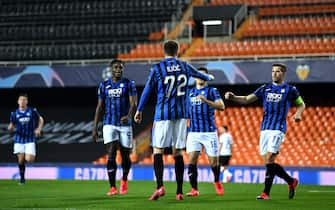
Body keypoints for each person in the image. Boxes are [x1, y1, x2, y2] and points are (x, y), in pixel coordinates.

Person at [134, 40, 214, 201]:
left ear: (164, 51)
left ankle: (160, 187)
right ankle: (178, 191)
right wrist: (209, 76)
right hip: (181, 115)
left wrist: (139, 109)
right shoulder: (185, 66)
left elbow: (148, 90)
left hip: (163, 114)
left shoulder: (157, 68)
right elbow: (202, 76)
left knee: (158, 150)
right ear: (177, 51)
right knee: (177, 152)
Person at [225, 63, 305, 200]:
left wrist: (298, 114)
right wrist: (233, 97)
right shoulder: (265, 88)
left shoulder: (290, 89)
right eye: (273, 71)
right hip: (264, 129)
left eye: (278, 71)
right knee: (268, 163)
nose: (275, 73)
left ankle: (266, 193)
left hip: (278, 128)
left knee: (269, 159)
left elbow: (301, 104)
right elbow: (246, 99)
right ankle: (291, 181)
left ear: (283, 73)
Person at [92, 59, 137, 196]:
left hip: (125, 125)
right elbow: (100, 107)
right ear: (111, 69)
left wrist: (128, 116)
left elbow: (133, 103)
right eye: (116, 67)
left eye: (121, 67)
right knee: (111, 152)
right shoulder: (104, 85)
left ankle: (124, 179)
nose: (118, 69)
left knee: (125, 155)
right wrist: (95, 128)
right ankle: (112, 187)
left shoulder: (129, 84)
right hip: (109, 123)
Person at [185, 67, 225, 197]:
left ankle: (217, 180)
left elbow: (221, 106)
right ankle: (194, 189)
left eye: (204, 75)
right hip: (193, 133)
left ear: (207, 78)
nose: (200, 77)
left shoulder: (212, 91)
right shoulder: (189, 92)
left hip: (209, 132)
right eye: (199, 75)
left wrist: (206, 101)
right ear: (195, 77)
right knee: (191, 160)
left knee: (214, 162)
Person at [8, 93, 44, 185]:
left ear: (27, 101)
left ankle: (25, 157)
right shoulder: (14, 113)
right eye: (21, 100)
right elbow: (11, 124)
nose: (22, 101)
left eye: (24, 100)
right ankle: (22, 179)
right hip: (19, 139)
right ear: (18, 102)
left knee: (29, 159)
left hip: (30, 139)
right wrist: (10, 128)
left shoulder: (32, 111)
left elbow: (41, 119)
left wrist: (39, 129)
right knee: (20, 160)